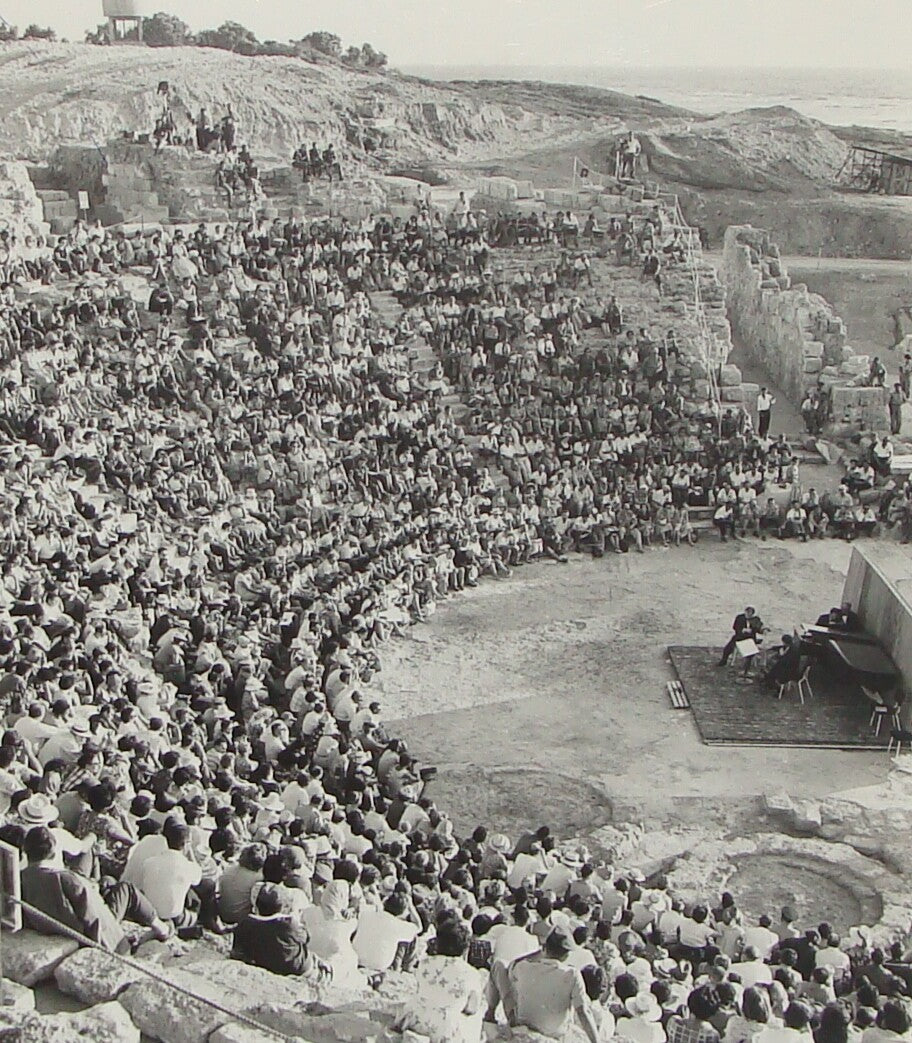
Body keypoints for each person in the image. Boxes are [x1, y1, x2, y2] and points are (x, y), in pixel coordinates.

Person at [19, 826, 170, 954]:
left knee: (108, 883)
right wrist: (118, 946)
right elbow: (94, 920)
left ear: (26, 851)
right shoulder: (66, 880)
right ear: (53, 853)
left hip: (56, 925)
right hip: (85, 936)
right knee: (126, 889)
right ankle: (162, 929)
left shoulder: (19, 877)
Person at [491, 926, 599, 1043]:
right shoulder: (572, 974)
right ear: (566, 955)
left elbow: (511, 967)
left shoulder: (523, 966)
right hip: (554, 1034)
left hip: (522, 1027)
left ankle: (490, 1014)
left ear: (544, 948)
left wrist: (540, 952)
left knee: (498, 965)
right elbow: (583, 1012)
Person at [231, 884, 326, 978]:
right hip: (296, 969)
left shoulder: (245, 924)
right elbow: (306, 938)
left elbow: (238, 952)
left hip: (265, 965)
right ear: (282, 908)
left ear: (256, 905)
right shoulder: (288, 924)